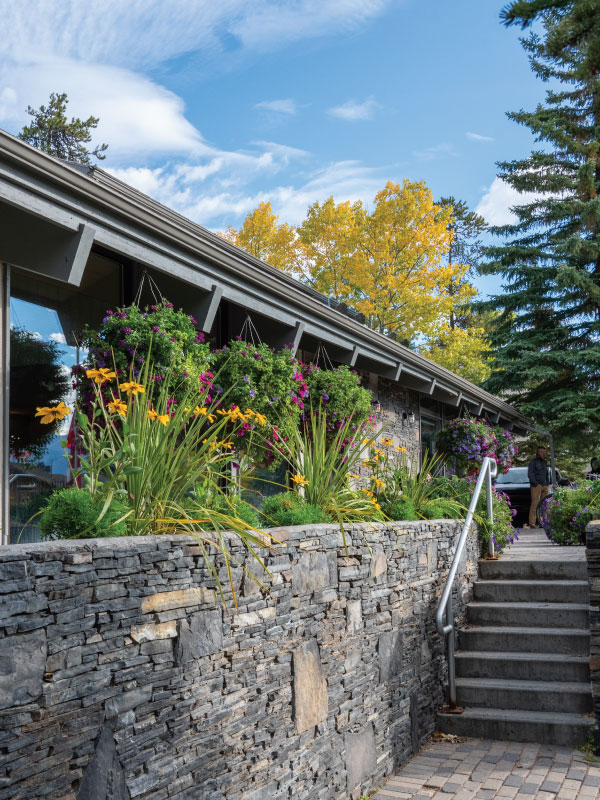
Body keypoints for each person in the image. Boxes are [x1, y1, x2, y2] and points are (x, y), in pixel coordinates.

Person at [526, 446, 550, 528]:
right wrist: (536, 484)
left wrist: (547, 483)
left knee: (544, 505)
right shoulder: (533, 462)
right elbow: (530, 474)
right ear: (538, 453)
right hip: (536, 486)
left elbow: (546, 473)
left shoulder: (544, 462)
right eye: (542, 452)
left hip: (545, 486)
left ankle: (541, 522)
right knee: (535, 504)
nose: (544, 454)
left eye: (544, 452)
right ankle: (532, 523)